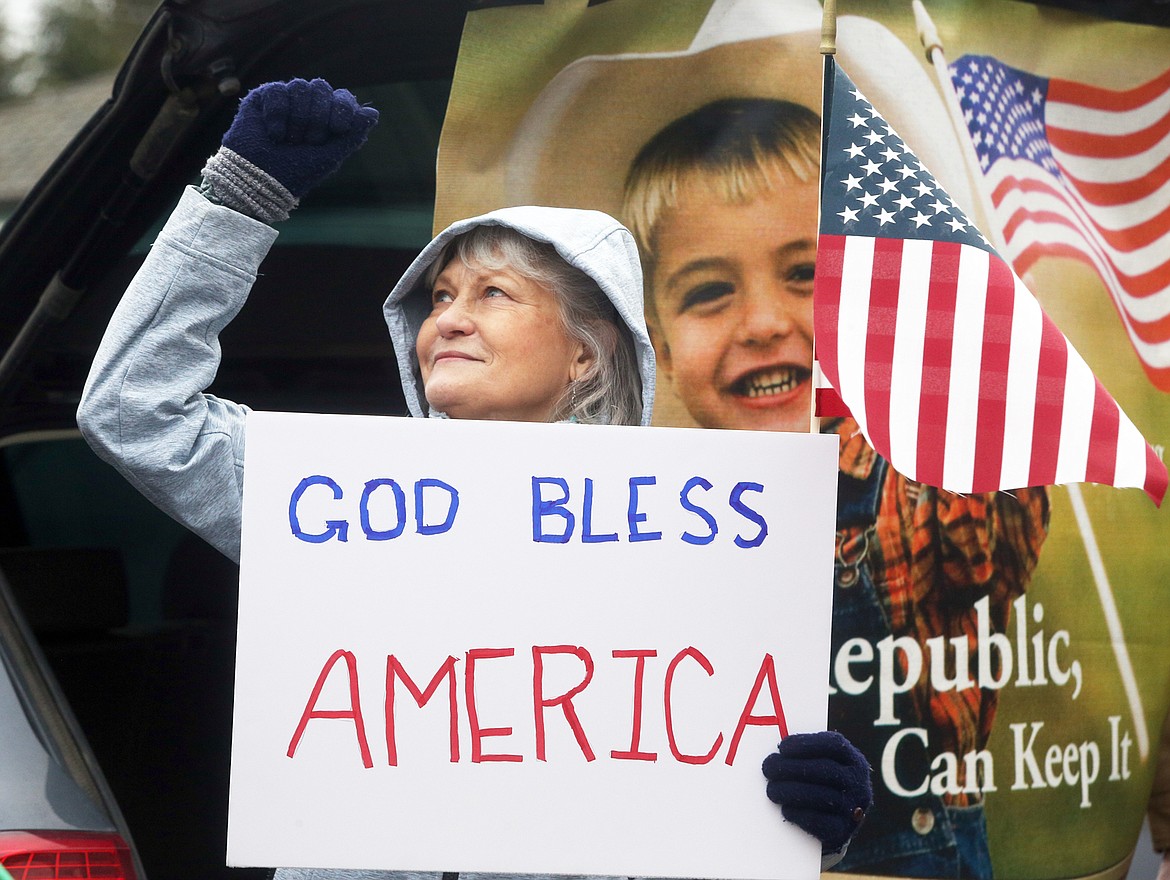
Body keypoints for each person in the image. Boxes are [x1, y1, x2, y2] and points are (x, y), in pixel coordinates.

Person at [76, 79, 871, 878]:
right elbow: (134, 409)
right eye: (443, 295)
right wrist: (240, 201)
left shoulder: (696, 537)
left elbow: (704, 787)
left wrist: (809, 821)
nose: (447, 318)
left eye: (493, 294)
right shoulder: (342, 503)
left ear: (587, 351)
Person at [623, 97, 1050, 879]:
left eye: (804, 275)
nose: (761, 321)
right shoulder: (645, 518)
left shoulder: (911, 473)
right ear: (663, 349)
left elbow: (992, 520)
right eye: (710, 292)